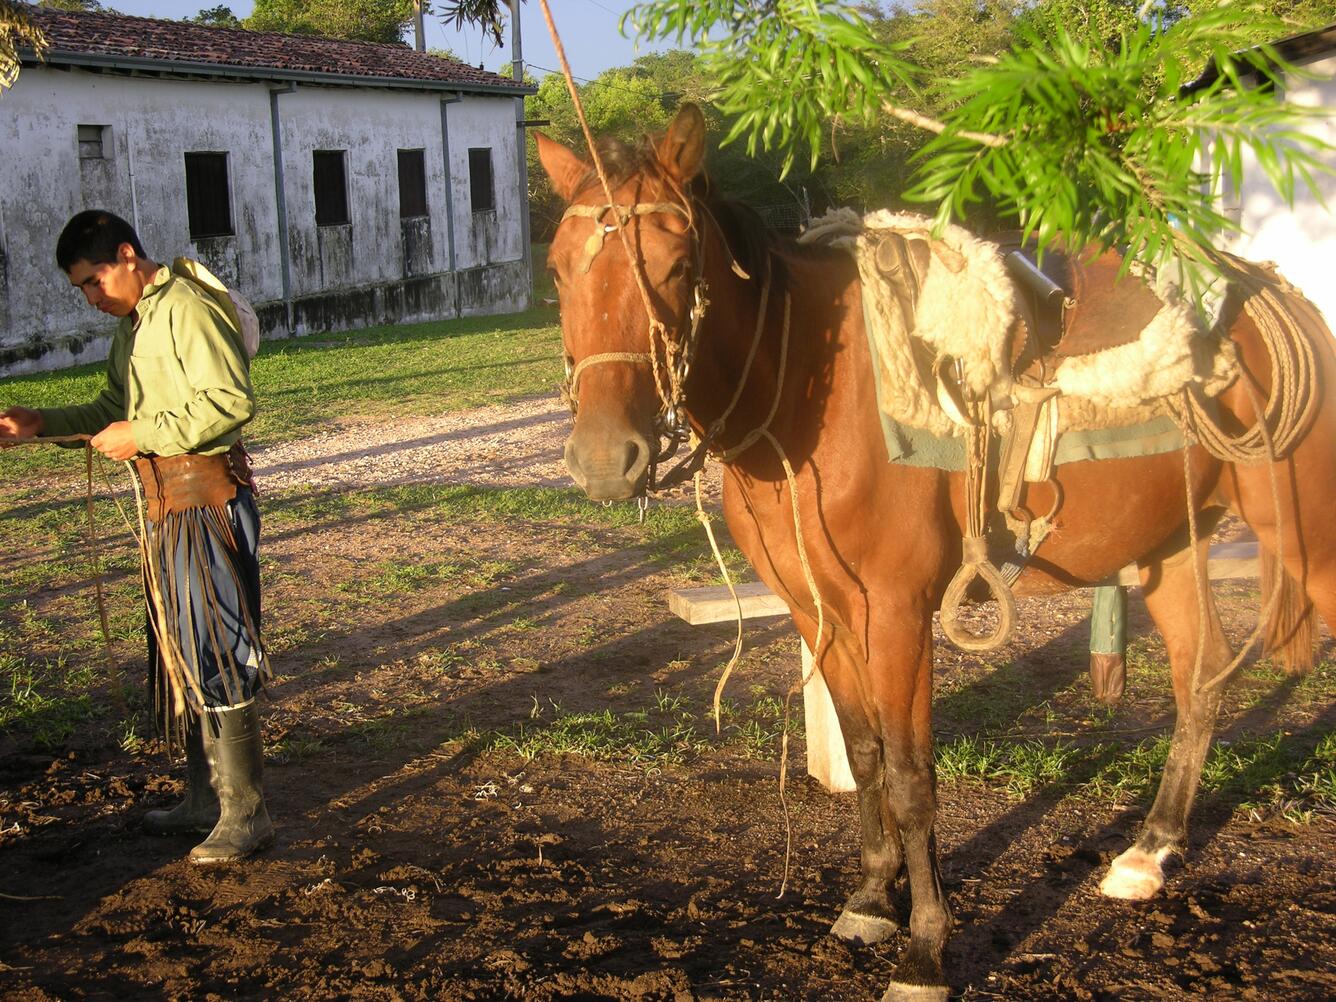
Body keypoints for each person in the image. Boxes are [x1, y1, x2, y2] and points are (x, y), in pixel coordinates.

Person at [0, 210, 274, 863]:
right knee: (181, 651)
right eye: (82, 290)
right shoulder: (135, 328)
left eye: (94, 281)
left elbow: (232, 402)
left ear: (127, 255)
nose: (92, 297)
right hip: (164, 506)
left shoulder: (186, 307)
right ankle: (203, 800)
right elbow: (114, 413)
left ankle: (248, 813)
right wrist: (40, 422)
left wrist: (141, 436)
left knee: (216, 646)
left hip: (206, 498)